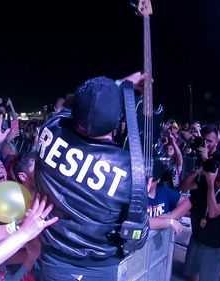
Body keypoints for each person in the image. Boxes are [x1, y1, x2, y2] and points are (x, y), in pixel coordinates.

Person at [35, 74, 149, 280]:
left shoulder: (50, 128)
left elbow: (72, 108)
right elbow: (137, 238)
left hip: (52, 259)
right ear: (118, 123)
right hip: (98, 269)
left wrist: (116, 85)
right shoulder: (132, 171)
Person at [179, 151, 220, 281]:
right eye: (219, 164)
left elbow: (213, 212)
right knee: (190, 277)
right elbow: (183, 187)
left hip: (213, 247)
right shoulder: (205, 182)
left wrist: (211, 183)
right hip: (196, 240)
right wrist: (199, 169)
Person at [147, 161, 191, 233]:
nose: (147, 183)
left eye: (152, 180)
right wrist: (169, 222)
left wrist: (169, 216)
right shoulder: (134, 195)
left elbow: (186, 203)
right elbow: (138, 222)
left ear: (158, 180)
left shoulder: (163, 192)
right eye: (145, 179)